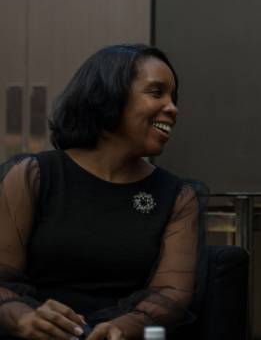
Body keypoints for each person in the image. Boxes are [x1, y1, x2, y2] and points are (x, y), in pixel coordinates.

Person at [0, 44, 201, 340]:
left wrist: (124, 327)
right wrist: (25, 319)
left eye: (173, 96)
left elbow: (171, 294)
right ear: (109, 95)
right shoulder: (33, 175)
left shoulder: (178, 196)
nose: (173, 108)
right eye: (157, 92)